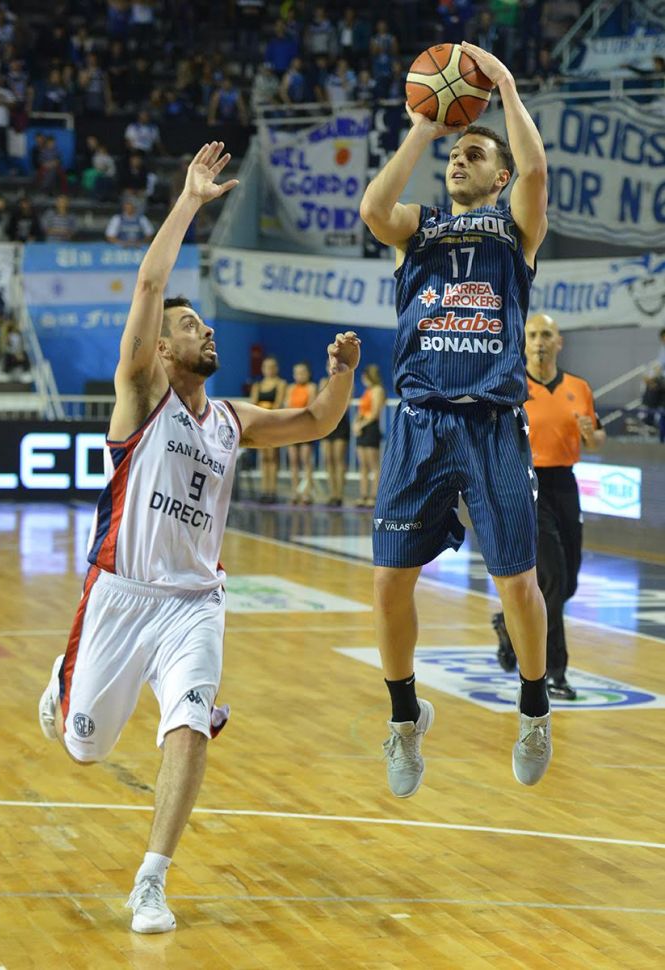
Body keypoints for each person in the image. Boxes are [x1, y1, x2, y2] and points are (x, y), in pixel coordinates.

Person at [37, 141, 360, 935]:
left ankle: (150, 882)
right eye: (191, 325)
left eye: (208, 324)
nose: (205, 331)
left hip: (195, 603)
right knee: (83, 749)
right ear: (161, 348)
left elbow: (318, 422)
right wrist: (189, 200)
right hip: (120, 594)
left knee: (187, 724)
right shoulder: (139, 395)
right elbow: (150, 285)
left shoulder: (231, 419)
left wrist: (343, 373)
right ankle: (65, 682)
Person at [359, 41, 551, 795]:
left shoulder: (514, 228)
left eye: (474, 154)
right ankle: (405, 720)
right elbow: (374, 211)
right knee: (387, 583)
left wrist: (504, 88)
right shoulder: (420, 226)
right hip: (419, 423)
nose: (459, 161)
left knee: (517, 586)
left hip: (492, 424)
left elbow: (536, 173)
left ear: (499, 175)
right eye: (455, 155)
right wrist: (423, 127)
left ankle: (533, 709)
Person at [492, 314, 606, 699]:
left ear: (559, 342)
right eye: (533, 335)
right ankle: (554, 673)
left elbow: (597, 437)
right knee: (553, 578)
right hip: (527, 484)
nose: (539, 341)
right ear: (523, 342)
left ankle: (508, 624)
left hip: (565, 485)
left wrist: (592, 435)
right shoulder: (512, 385)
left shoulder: (578, 387)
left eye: (546, 335)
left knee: (567, 582)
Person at [250, 354, 287, 503]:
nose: (269, 369)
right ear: (262, 368)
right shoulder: (257, 385)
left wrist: (264, 409)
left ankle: (272, 490)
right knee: (264, 458)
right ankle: (264, 490)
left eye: (272, 367)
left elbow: (278, 404)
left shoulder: (281, 384)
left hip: (273, 424)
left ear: (276, 368)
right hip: (261, 424)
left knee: (272, 457)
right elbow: (253, 404)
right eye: (266, 367)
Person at [319, 359, 351, 507]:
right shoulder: (323, 382)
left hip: (340, 422)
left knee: (339, 459)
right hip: (327, 422)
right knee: (328, 459)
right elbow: (320, 402)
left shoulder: (346, 381)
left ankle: (339, 494)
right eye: (329, 365)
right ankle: (332, 493)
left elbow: (346, 404)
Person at [285, 361, 318, 504]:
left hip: (305, 427)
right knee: (293, 460)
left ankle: (307, 492)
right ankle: (295, 491)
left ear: (308, 373)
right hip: (293, 427)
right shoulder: (291, 388)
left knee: (306, 460)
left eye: (302, 372)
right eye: (297, 373)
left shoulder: (311, 387)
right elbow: (287, 406)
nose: (300, 375)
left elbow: (310, 406)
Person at [354, 363, 385, 508]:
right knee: (363, 465)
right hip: (363, 428)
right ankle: (363, 495)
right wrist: (356, 423)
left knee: (373, 465)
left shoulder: (378, 390)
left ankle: (374, 495)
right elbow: (361, 411)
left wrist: (361, 425)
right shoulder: (367, 391)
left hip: (371, 428)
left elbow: (374, 413)